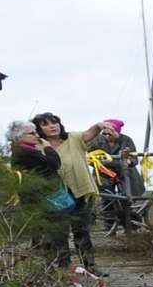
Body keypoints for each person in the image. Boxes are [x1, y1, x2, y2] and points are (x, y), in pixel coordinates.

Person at [27, 113, 109, 273]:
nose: (52, 126)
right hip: (54, 195)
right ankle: (64, 266)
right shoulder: (37, 146)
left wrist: (99, 125)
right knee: (59, 232)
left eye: (54, 122)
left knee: (82, 230)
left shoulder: (73, 138)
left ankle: (90, 265)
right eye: (46, 124)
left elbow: (89, 134)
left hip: (79, 191)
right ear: (38, 129)